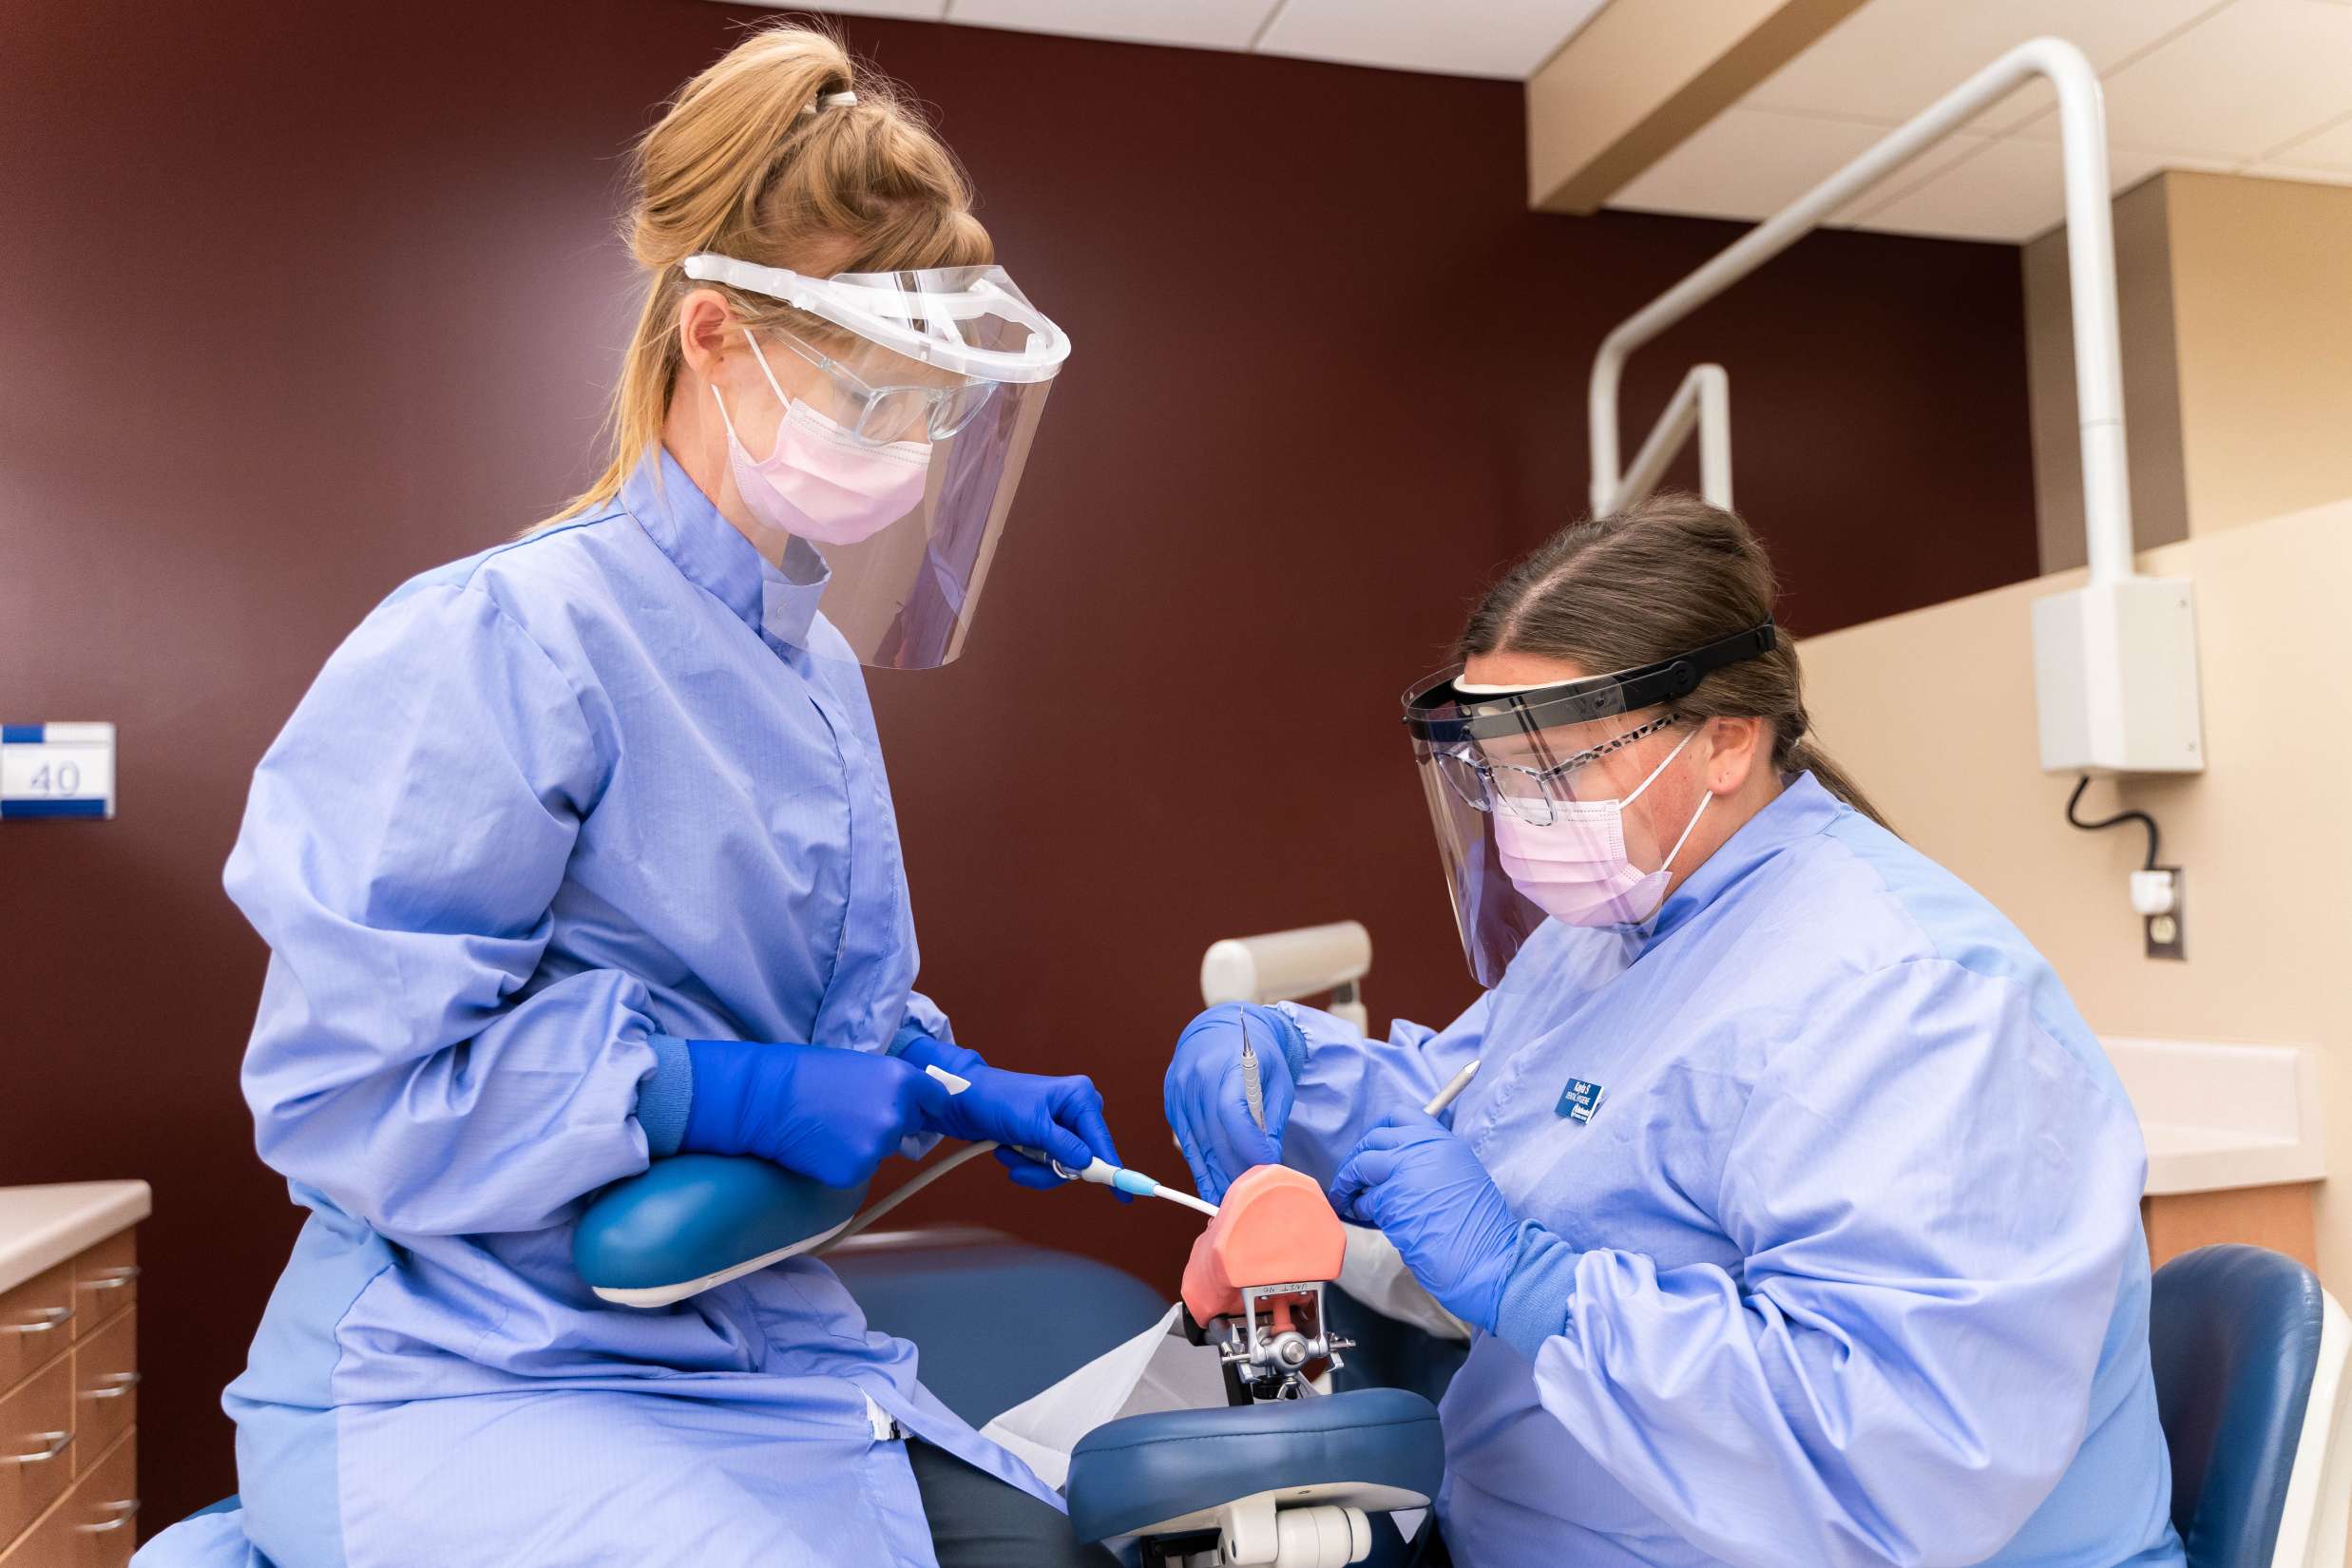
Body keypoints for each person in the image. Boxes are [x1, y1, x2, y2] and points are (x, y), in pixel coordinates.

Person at [141, 25, 1122, 1568]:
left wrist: (941, 1085)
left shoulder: (813, 673)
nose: (906, 458)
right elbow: (346, 1094)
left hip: (728, 1337)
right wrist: (701, 1091)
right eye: (874, 401)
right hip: (463, 1367)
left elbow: (816, 1020)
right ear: (716, 336)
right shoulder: (507, 638)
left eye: (932, 414)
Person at [1165, 494, 2186, 1568]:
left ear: (1727, 743)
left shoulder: (1912, 1001)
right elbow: (1473, 1114)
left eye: (1554, 769)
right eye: (1496, 772)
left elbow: (1902, 1450)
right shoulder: (1615, 926)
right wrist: (1290, 1066)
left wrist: (1534, 1283)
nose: (1519, 809)